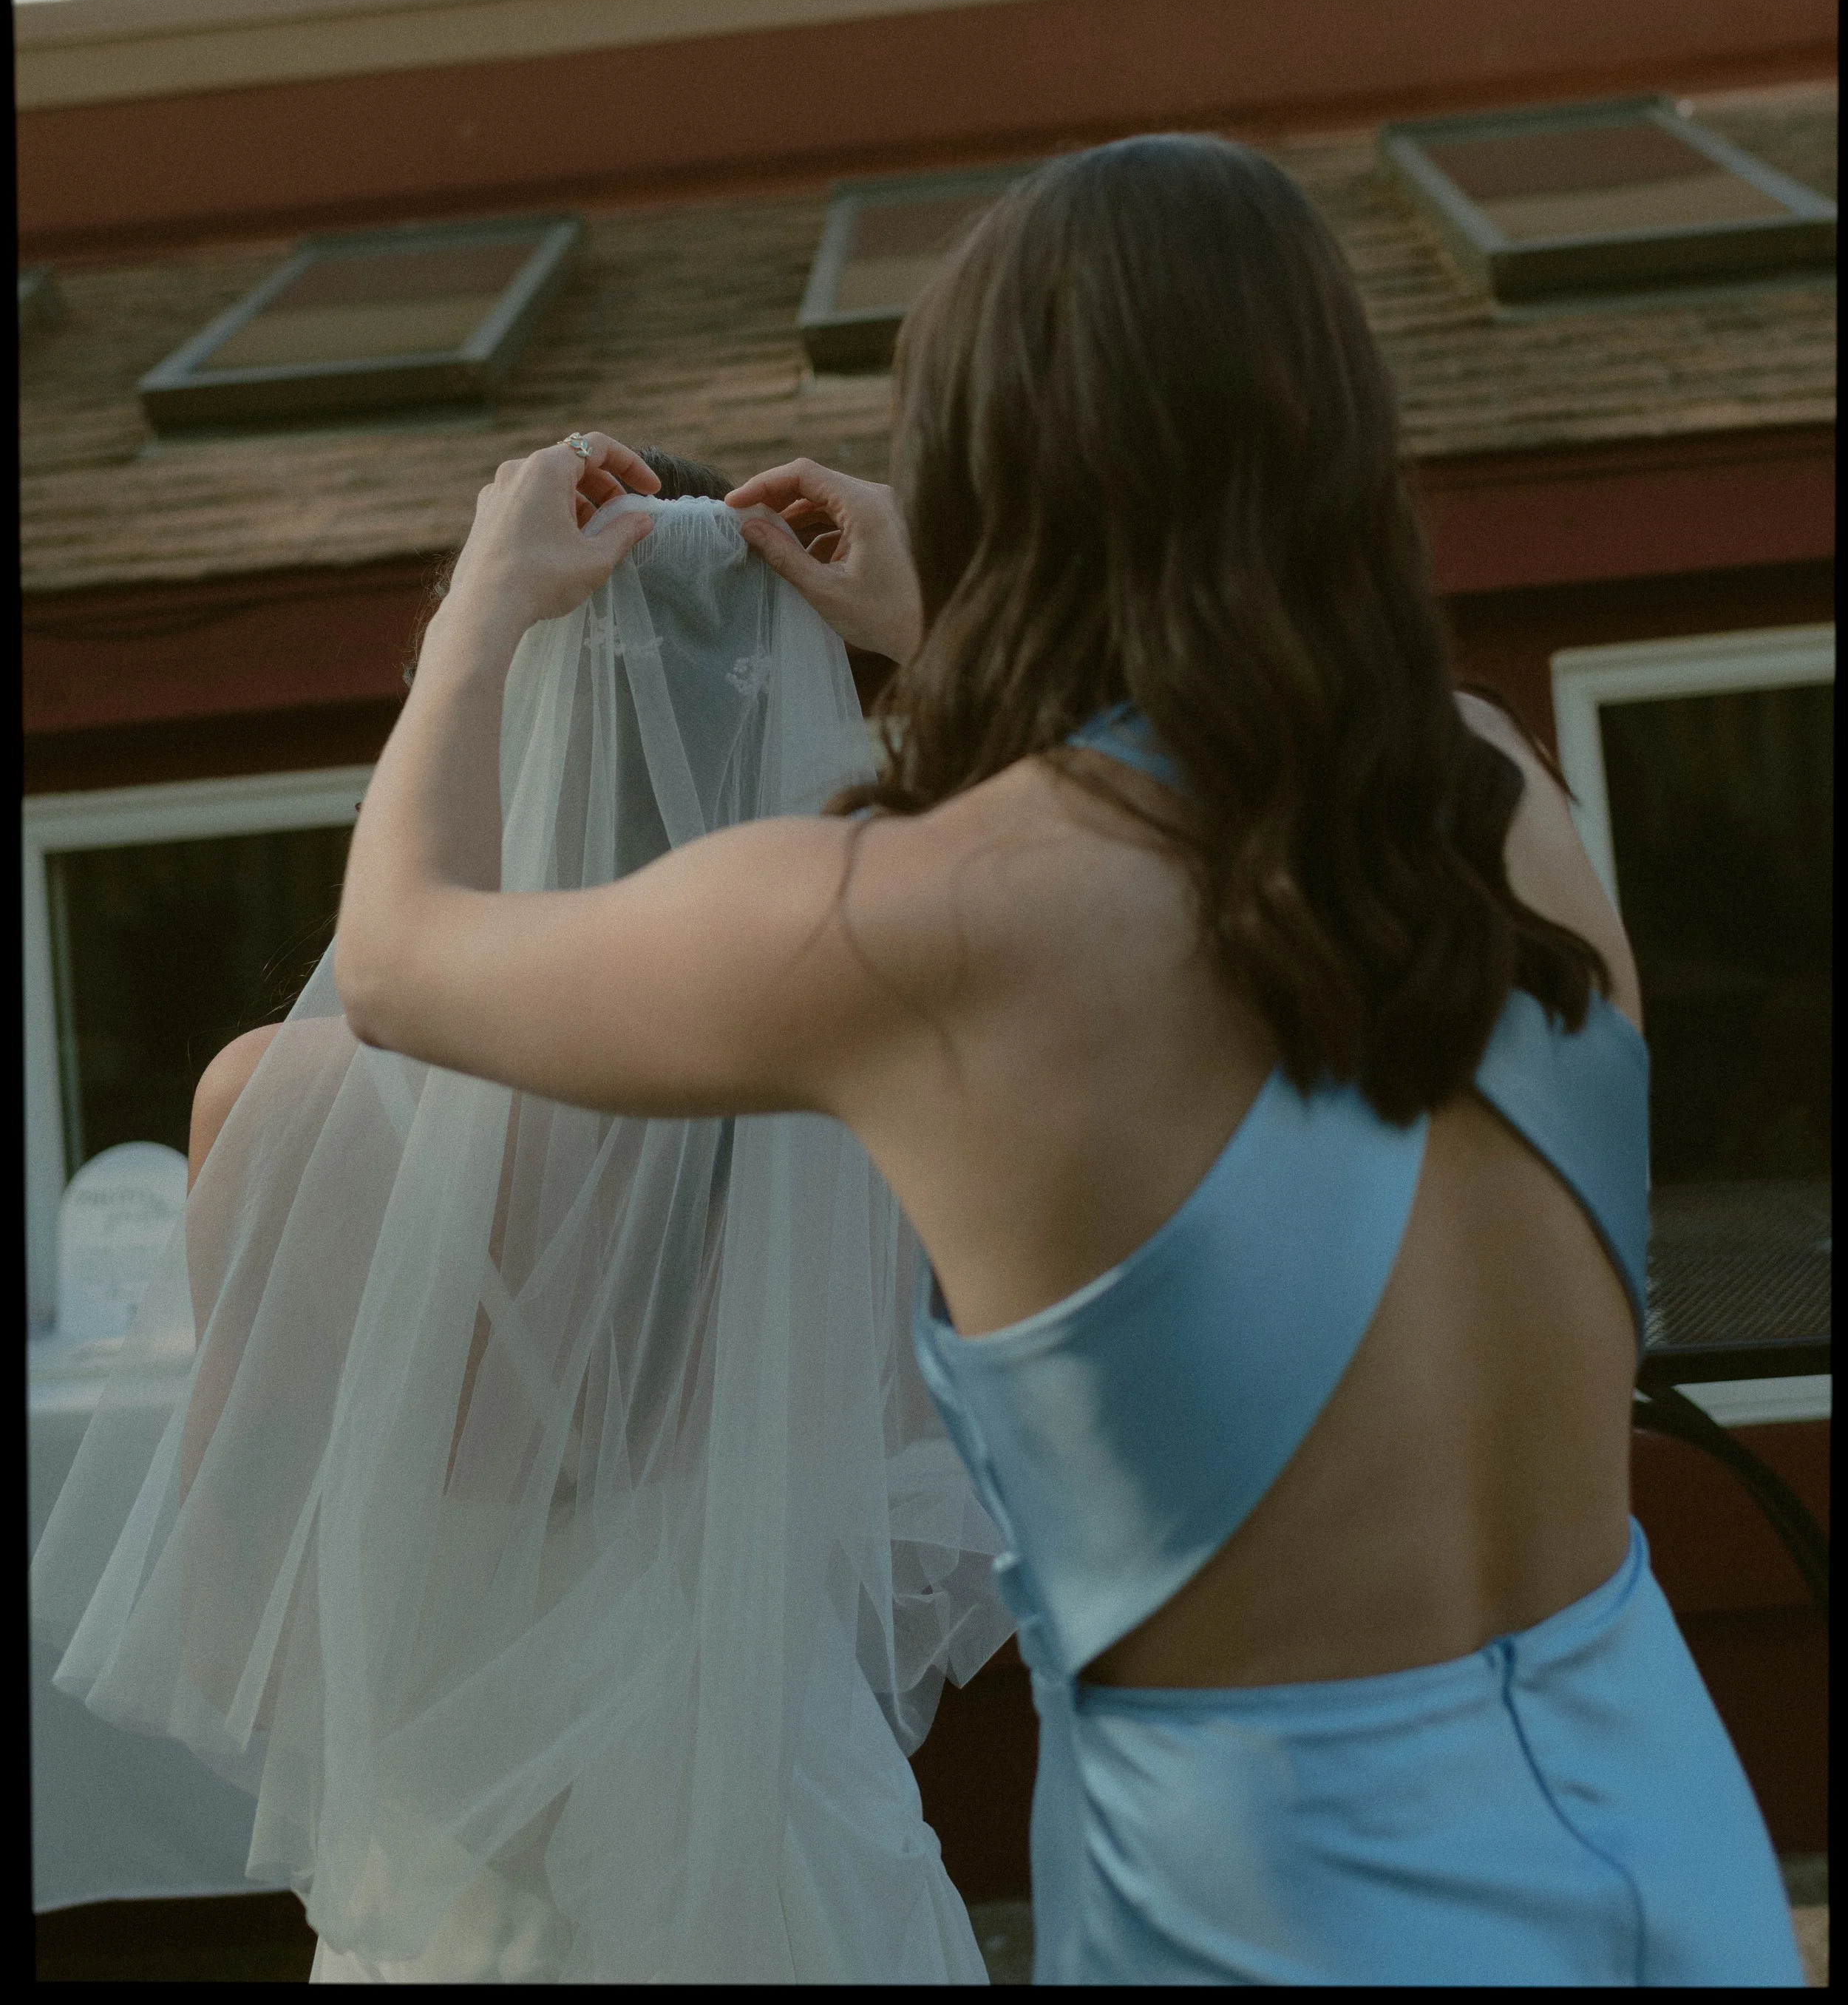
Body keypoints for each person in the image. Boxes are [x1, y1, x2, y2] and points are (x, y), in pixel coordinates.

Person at [328, 135, 1803, 1987]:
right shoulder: (1498, 794)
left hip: (1295, 1923)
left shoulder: (922, 928)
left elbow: (398, 958)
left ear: (992, 471)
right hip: (1674, 1848)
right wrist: (942, 615)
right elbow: (1202, 770)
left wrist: (480, 607)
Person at [33, 446, 1008, 1985]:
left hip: (460, 1924)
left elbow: (235, 1645)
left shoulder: (287, 1107)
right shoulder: (869, 1109)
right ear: (795, 739)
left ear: (487, 703)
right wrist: (950, 639)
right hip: (807, 1889)